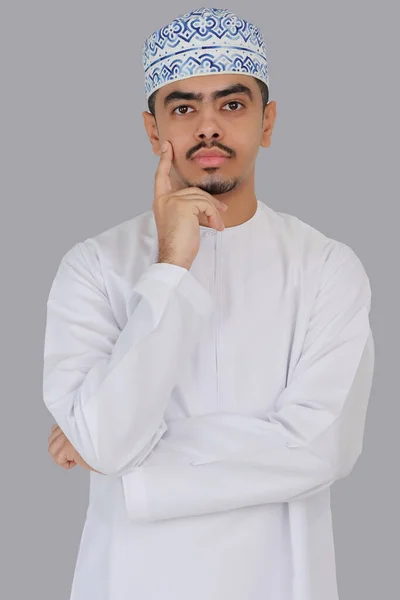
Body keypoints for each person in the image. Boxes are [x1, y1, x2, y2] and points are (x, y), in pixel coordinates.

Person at [44, 7, 375, 600]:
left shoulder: (327, 267)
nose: (208, 127)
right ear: (153, 131)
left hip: (281, 580)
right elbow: (106, 442)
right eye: (183, 107)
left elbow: (322, 449)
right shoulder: (92, 266)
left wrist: (122, 456)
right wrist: (171, 264)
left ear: (267, 122)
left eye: (231, 104)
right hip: (130, 579)